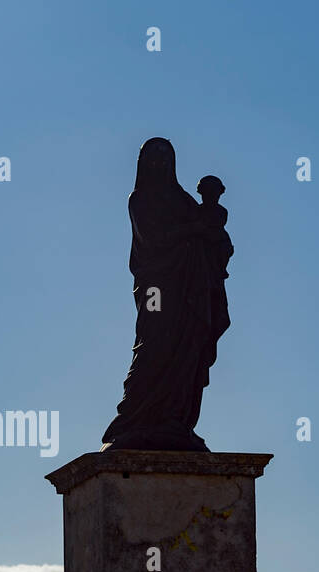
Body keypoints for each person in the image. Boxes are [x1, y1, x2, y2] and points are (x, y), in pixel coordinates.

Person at [100, 137, 232, 452]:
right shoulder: (140, 199)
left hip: (190, 288)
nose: (159, 163)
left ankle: (176, 420)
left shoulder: (184, 201)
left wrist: (213, 235)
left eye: (165, 157)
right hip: (156, 289)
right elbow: (154, 240)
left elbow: (214, 239)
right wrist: (196, 229)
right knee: (153, 344)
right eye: (153, 157)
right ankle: (134, 417)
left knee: (189, 349)